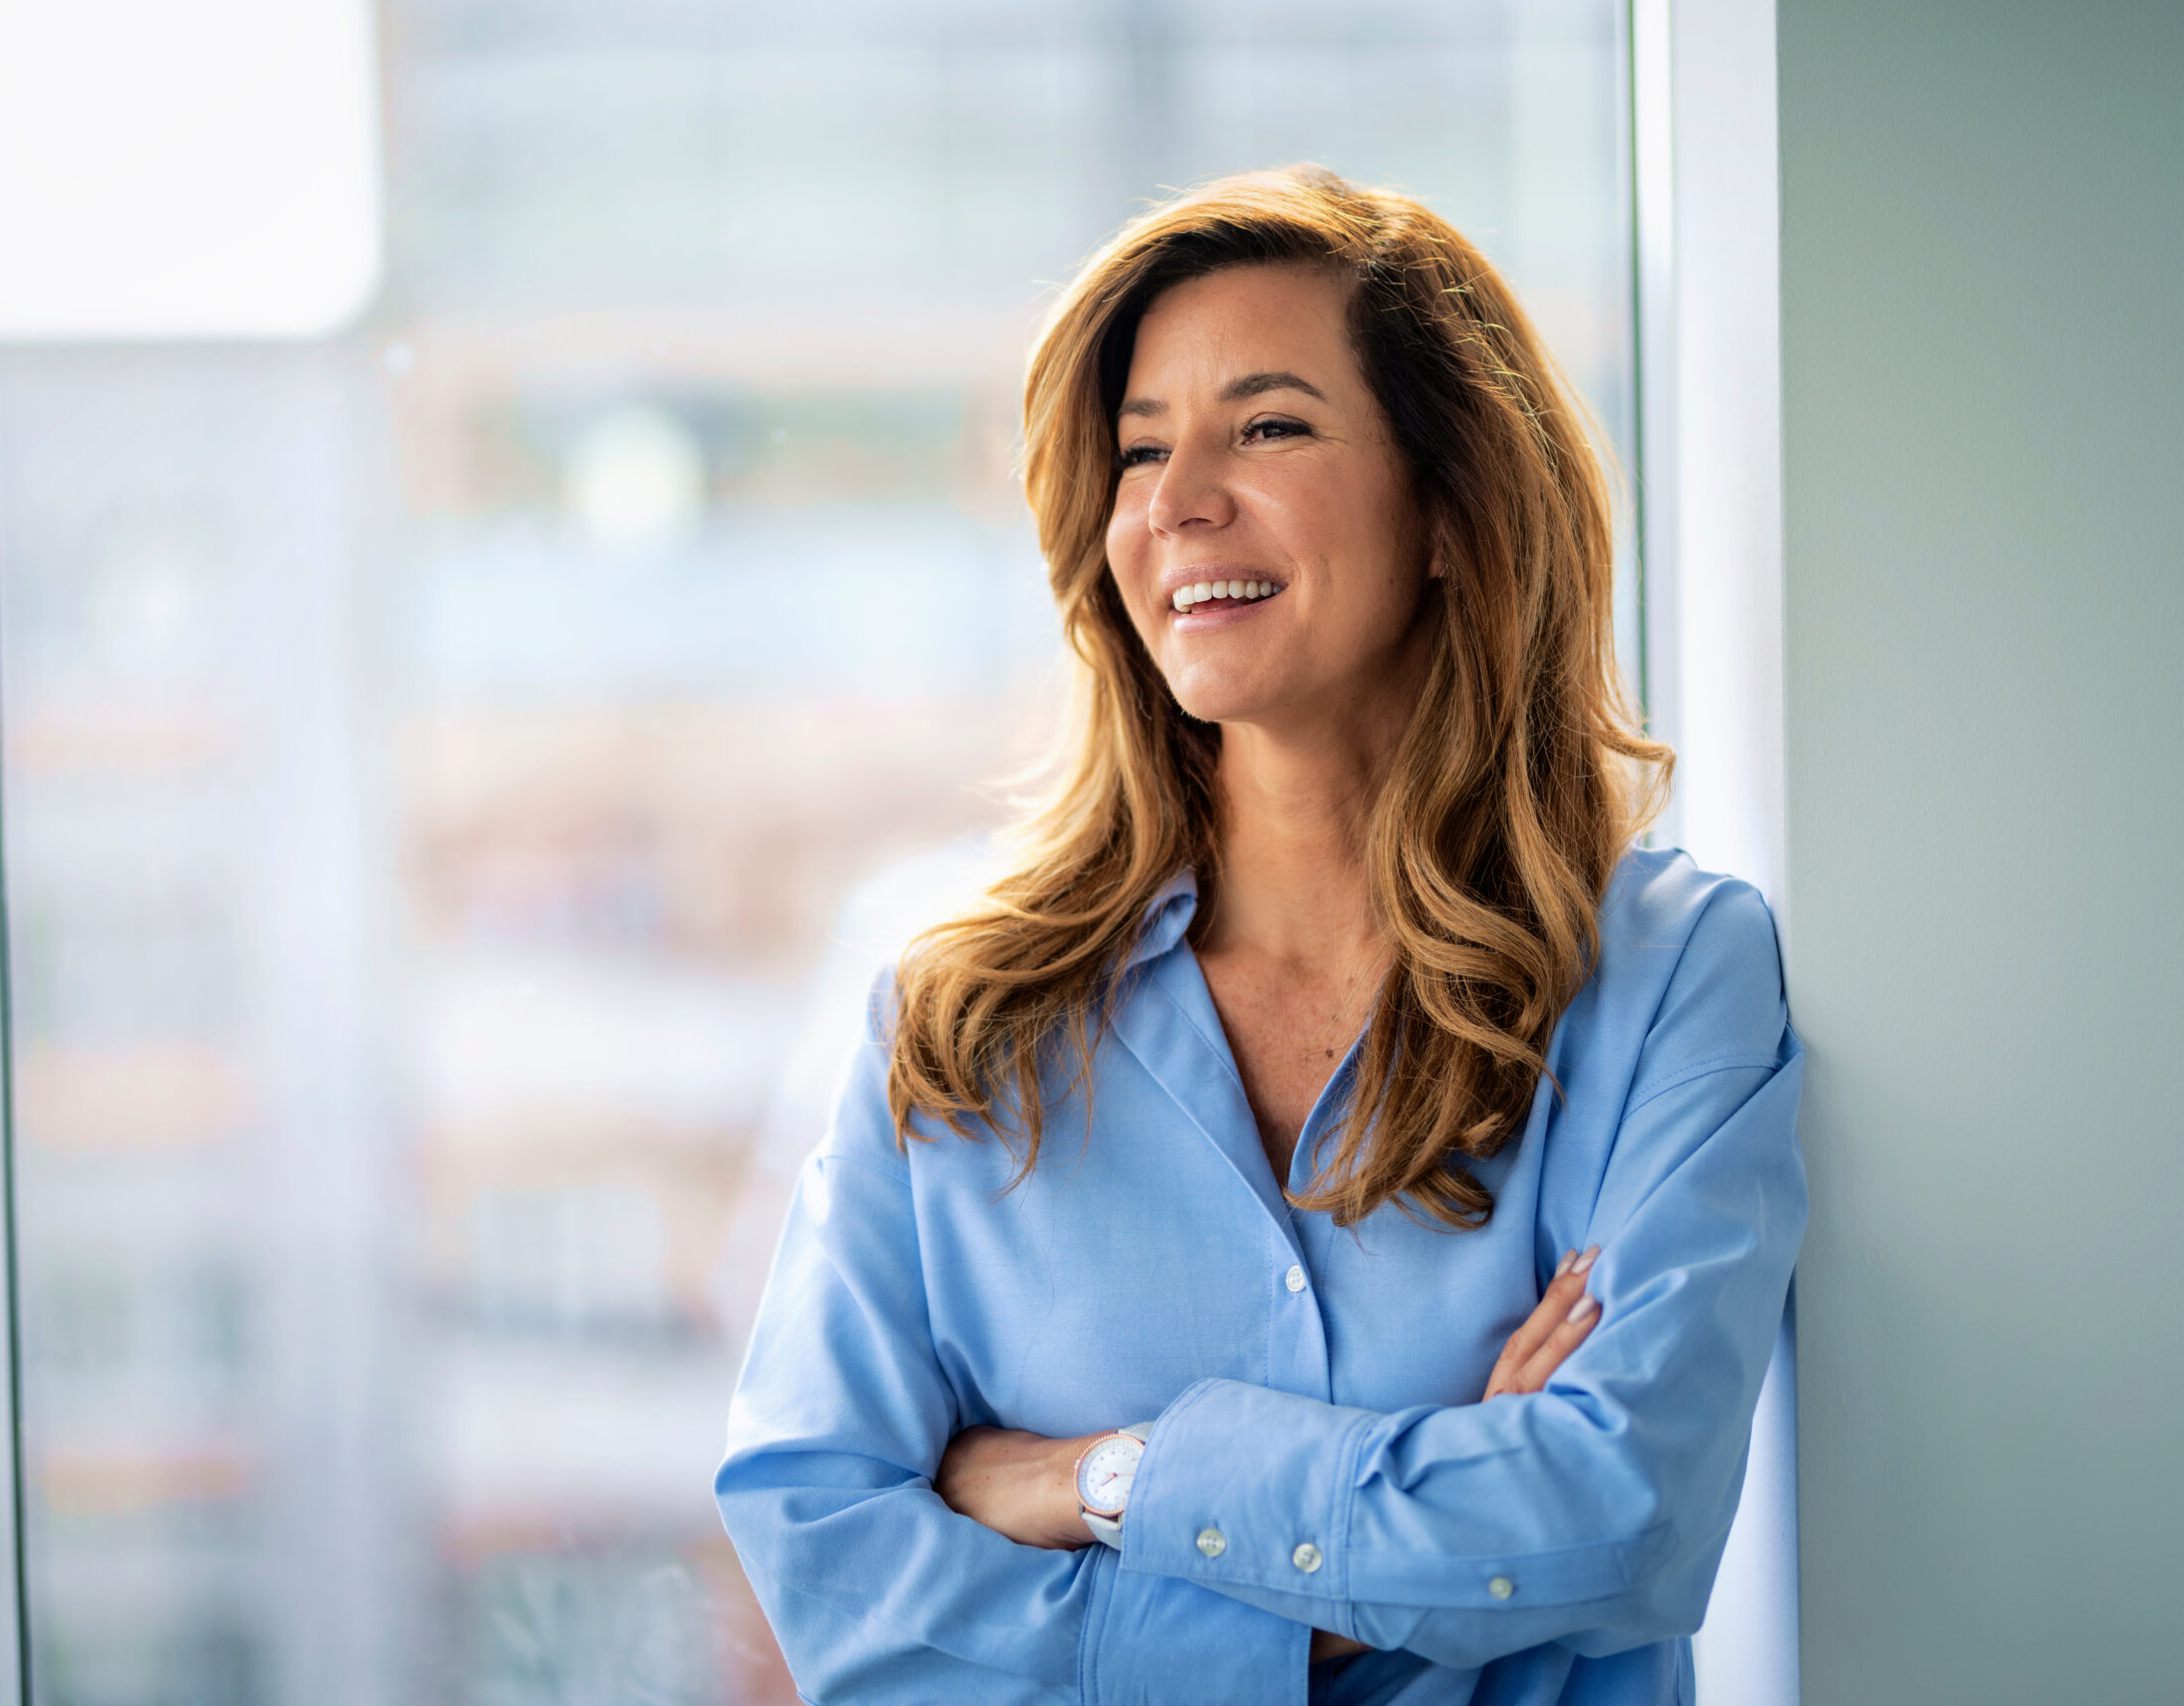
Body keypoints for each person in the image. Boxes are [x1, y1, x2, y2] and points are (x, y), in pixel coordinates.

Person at [715, 166, 1805, 1706]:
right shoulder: (952, 1018)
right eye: (1142, 447)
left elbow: (1619, 1525)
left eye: (1268, 426)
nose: (1173, 502)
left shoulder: (1669, 978)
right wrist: (1418, 1560)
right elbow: (834, 1572)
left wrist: (1104, 1482)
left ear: (1450, 504)